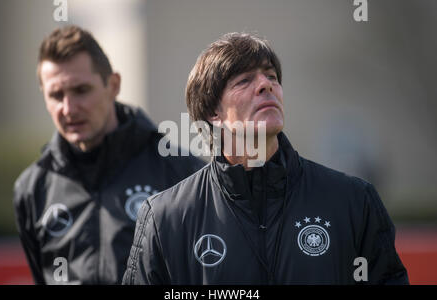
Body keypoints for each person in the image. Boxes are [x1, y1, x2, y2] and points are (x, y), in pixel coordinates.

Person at [122, 32, 409, 284]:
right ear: (213, 114)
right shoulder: (165, 218)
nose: (265, 85)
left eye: (271, 77)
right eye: (244, 80)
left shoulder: (353, 201)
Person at [13, 25, 204, 284]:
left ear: (113, 85)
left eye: (81, 90)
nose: (68, 109)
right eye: (56, 95)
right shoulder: (32, 188)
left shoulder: (182, 173)